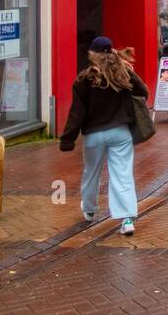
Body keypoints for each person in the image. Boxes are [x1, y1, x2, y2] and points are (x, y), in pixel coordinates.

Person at [59, 36, 147, 236]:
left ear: (92, 54)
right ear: (112, 52)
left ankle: (89, 209)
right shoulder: (124, 74)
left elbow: (76, 112)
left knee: (91, 173)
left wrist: (67, 139)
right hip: (120, 133)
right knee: (122, 175)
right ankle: (126, 220)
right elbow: (143, 91)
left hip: (94, 135)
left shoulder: (83, 80)